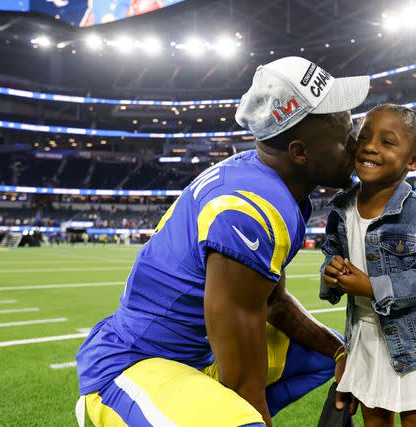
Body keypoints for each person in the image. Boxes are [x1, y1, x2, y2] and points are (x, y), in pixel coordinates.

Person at [75, 56, 370, 427]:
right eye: (345, 137)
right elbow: (243, 385)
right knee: (244, 422)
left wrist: (339, 351)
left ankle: (195, 404)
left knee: (325, 355)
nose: (358, 144)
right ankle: (132, 409)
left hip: (190, 358)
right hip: (131, 364)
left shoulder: (270, 182)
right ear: (299, 152)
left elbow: (273, 303)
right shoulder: (249, 209)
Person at [320, 104, 416, 427]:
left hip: (412, 343)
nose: (370, 146)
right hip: (364, 340)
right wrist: (331, 273)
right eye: (364, 137)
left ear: (413, 161)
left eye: (387, 142)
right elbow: (332, 255)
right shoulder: (341, 208)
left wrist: (371, 287)